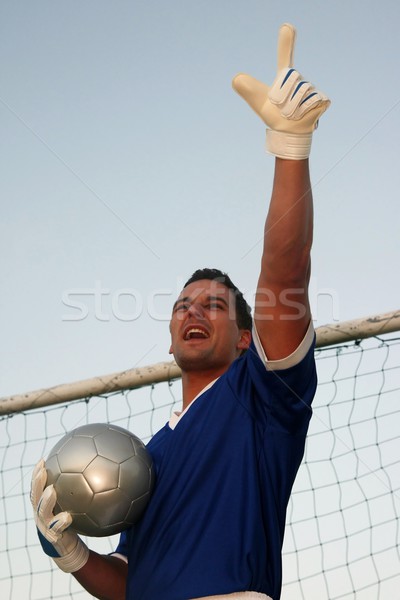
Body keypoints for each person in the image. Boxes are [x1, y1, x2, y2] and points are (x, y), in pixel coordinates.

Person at [30, 23, 330, 600]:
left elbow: (285, 272)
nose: (194, 312)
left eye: (215, 305)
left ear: (247, 337)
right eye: (182, 305)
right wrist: (73, 554)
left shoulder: (263, 394)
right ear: (169, 335)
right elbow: (128, 585)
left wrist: (290, 149)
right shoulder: (142, 461)